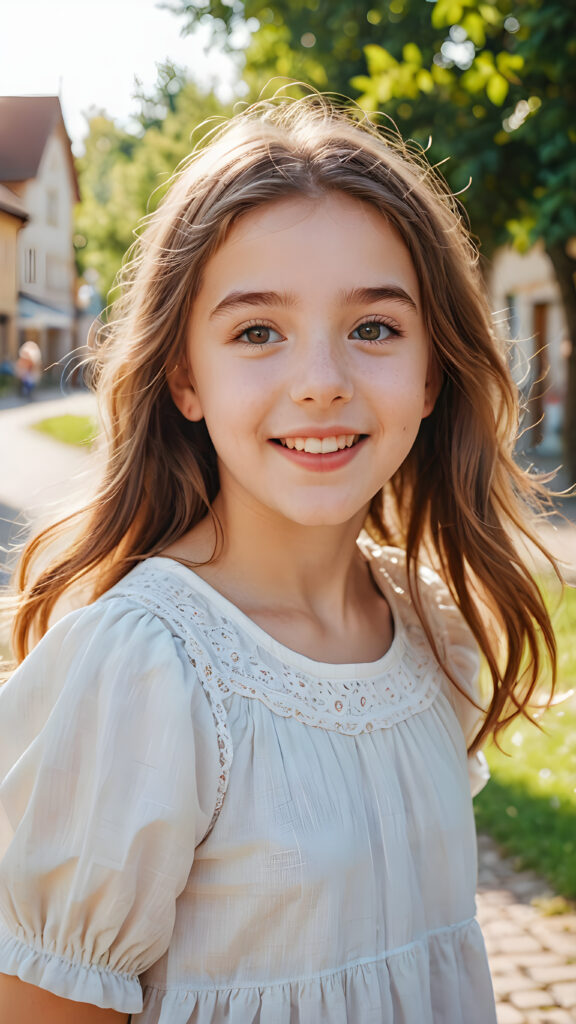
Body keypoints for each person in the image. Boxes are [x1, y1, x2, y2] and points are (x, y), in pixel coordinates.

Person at [0, 95, 560, 1023]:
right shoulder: (145, 673)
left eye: (374, 328)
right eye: (257, 331)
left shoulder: (433, 628)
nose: (321, 383)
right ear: (186, 377)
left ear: (431, 373)